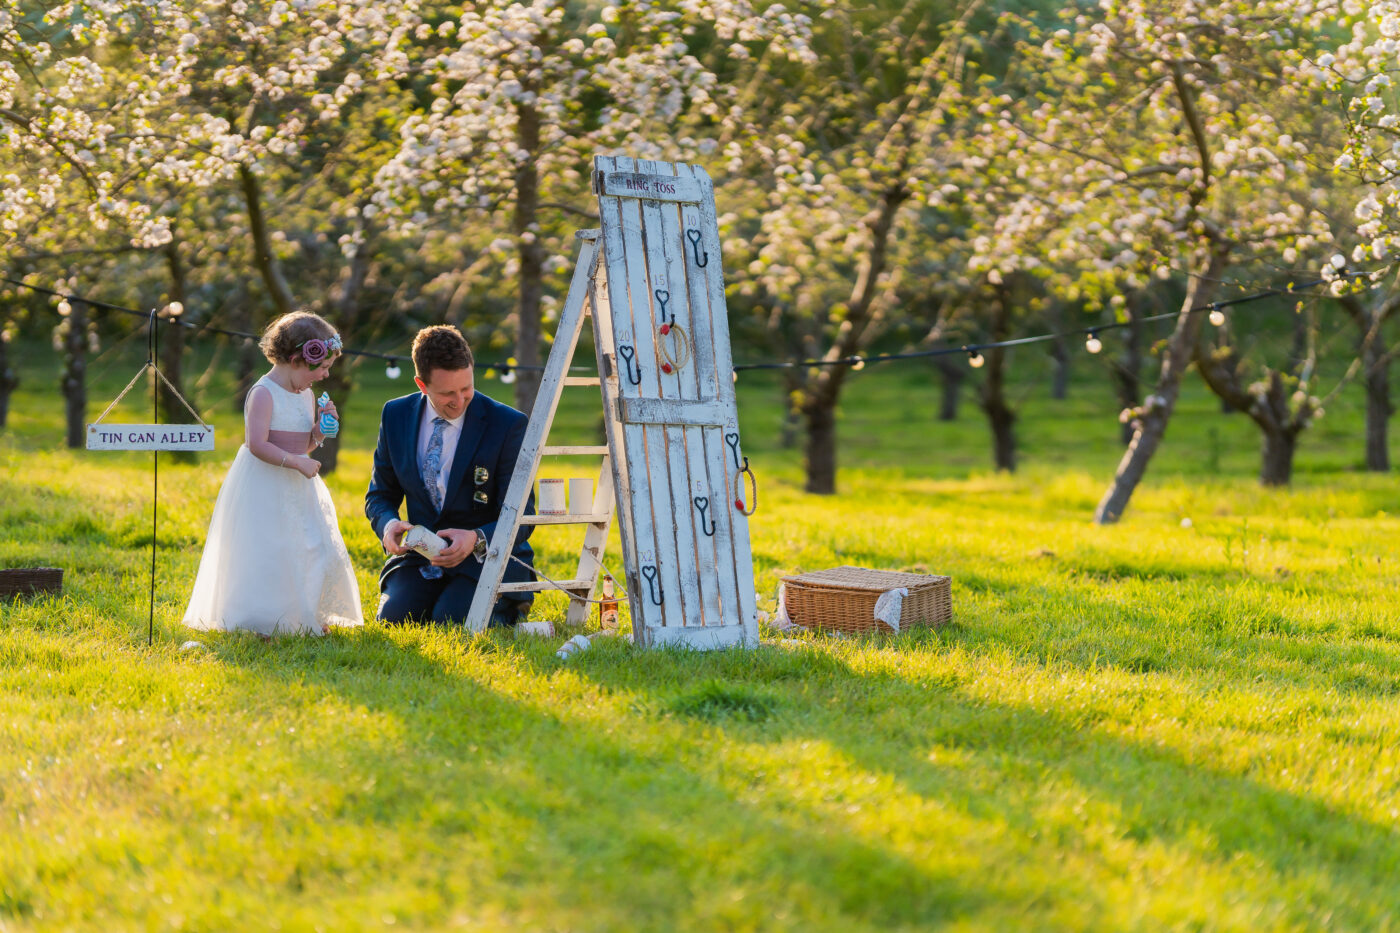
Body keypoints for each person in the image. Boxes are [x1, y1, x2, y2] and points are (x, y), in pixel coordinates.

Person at [183, 311, 364, 636]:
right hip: (264, 483)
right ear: (296, 360)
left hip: (297, 483)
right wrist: (297, 463)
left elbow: (303, 444)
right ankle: (261, 617)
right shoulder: (263, 393)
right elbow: (257, 444)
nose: (325, 375)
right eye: (322, 367)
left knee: (307, 544)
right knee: (268, 547)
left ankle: (302, 613)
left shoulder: (306, 394)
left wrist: (320, 432)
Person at [365, 325, 536, 627]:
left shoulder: (508, 424)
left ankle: (510, 606)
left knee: (452, 620)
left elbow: (523, 513)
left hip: (486, 558)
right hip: (423, 556)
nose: (459, 401)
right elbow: (380, 495)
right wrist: (389, 526)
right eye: (447, 393)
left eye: (466, 389)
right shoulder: (395, 415)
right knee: (394, 619)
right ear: (421, 384)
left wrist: (476, 538)